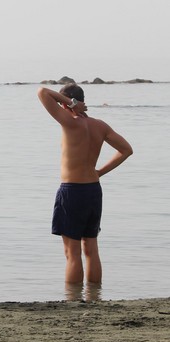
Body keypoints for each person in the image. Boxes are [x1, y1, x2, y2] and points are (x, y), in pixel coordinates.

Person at [37, 83, 133, 286]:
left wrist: (71, 104)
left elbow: (42, 92)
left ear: (66, 103)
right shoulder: (100, 126)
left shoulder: (69, 122)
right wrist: (99, 172)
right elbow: (126, 150)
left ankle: (73, 298)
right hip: (93, 190)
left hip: (72, 190)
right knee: (91, 248)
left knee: (72, 253)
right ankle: (94, 296)